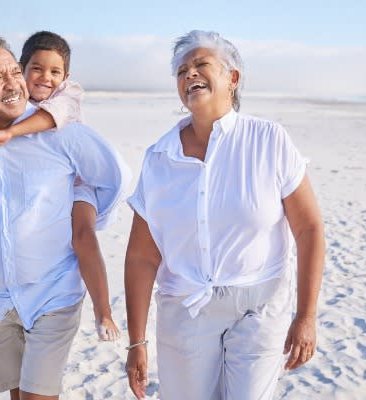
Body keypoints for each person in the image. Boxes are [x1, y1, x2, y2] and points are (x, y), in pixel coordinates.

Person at [0, 32, 130, 399]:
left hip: (53, 292)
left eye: (14, 71)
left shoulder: (61, 131)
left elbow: (116, 180)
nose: (14, 83)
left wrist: (85, 216)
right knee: (17, 394)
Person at [123, 30, 325, 400]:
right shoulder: (158, 158)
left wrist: (306, 317)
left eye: (201, 64)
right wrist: (136, 341)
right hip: (185, 308)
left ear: (232, 78)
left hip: (259, 305)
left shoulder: (269, 140)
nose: (189, 75)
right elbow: (141, 256)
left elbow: (309, 228)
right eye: (182, 71)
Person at [0, 30, 120, 342]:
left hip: (77, 179)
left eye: (55, 72)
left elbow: (49, 120)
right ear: (20, 68)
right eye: (36, 69)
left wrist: (11, 134)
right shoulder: (11, 93)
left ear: (66, 76)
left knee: (83, 236)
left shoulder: (68, 95)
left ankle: (103, 311)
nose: (45, 78)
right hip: (43, 181)